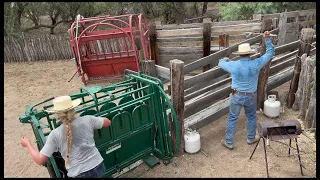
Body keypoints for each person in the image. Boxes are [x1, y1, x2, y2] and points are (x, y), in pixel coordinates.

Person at [20, 96, 112, 178]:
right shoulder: (88, 119)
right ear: (73, 109)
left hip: (78, 173)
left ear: (58, 115)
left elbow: (40, 160)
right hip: (98, 166)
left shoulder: (55, 134)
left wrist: (28, 144)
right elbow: (108, 122)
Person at [218, 31, 275, 150]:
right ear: (249, 54)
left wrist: (225, 59)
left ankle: (229, 141)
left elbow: (220, 63)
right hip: (250, 96)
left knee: (232, 117)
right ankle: (250, 138)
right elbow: (270, 53)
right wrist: (267, 40)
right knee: (251, 116)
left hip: (236, 95)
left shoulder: (233, 65)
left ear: (239, 54)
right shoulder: (256, 63)